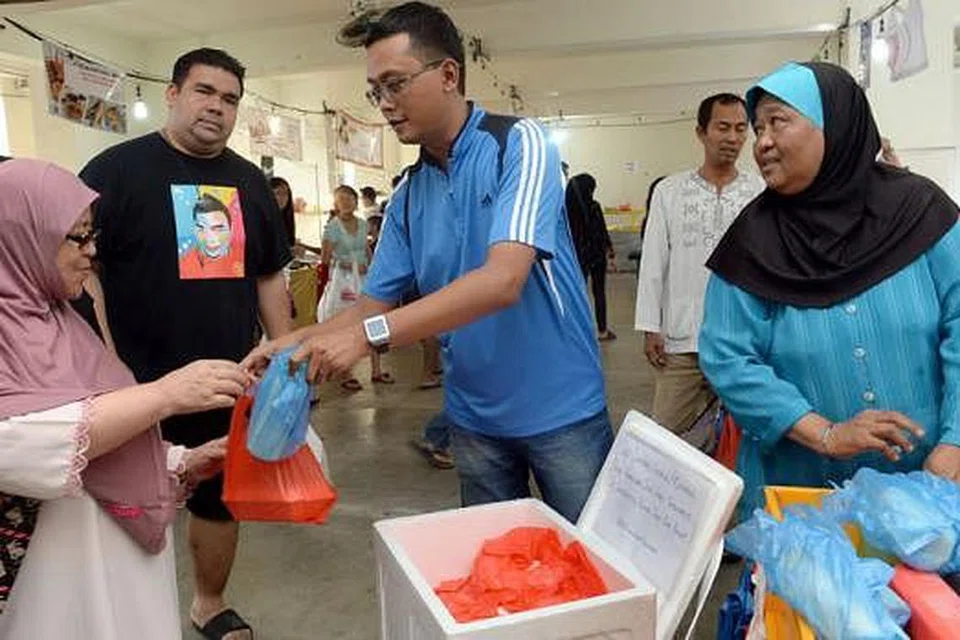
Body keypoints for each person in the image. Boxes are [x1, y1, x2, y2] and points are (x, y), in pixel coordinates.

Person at [245, 1, 611, 524]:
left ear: (448, 75)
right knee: (495, 574)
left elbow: (504, 280)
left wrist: (368, 338)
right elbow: (372, 303)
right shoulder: (410, 196)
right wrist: (295, 341)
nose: (385, 104)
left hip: (561, 412)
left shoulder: (517, 144)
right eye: (376, 91)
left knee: (594, 571)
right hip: (474, 421)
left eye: (395, 83)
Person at [79, 48, 292, 640]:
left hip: (226, 376)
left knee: (217, 498)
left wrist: (287, 355)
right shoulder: (114, 172)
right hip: (133, 382)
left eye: (229, 99)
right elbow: (81, 267)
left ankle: (208, 603)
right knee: (121, 503)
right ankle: (124, 617)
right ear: (172, 94)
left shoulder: (249, 182)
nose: (216, 108)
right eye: (204, 92)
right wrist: (106, 354)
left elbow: (270, 273)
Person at [0, 158, 249, 639]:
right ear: (21, 235)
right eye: (77, 237)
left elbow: (102, 430)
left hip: (118, 563)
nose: (90, 253)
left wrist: (177, 460)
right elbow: (19, 441)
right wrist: (165, 396)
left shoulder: (61, 318)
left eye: (93, 237)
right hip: (51, 575)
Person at [699, 62, 960, 518]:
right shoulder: (751, 244)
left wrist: (956, 442)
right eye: (757, 128)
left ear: (835, 122)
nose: (760, 142)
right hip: (810, 502)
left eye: (777, 121)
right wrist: (826, 434)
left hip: (934, 481)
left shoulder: (922, 212)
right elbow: (728, 358)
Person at [635, 92, 764, 443]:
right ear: (701, 132)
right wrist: (650, 326)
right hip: (683, 342)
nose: (733, 138)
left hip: (744, 344)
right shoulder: (669, 191)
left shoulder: (760, 191)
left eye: (741, 129)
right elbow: (653, 261)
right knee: (664, 441)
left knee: (747, 440)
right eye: (723, 127)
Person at [318, 185, 393, 389]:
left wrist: (373, 269)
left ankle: (377, 369)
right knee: (345, 322)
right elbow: (325, 258)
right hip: (342, 282)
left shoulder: (362, 224)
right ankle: (346, 373)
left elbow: (367, 249)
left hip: (364, 279)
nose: (347, 203)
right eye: (342, 199)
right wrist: (347, 263)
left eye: (350, 198)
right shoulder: (332, 226)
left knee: (374, 318)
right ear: (335, 204)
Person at [566, 173, 616, 341]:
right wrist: (610, 250)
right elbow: (602, 231)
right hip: (597, 255)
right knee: (599, 292)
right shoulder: (594, 206)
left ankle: (576, 330)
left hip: (577, 256)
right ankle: (602, 331)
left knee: (578, 292)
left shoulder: (566, 210)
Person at [269, 176, 297, 249]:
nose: (283, 197)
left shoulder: (285, 219)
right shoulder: (261, 220)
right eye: (278, 193)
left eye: (285, 193)